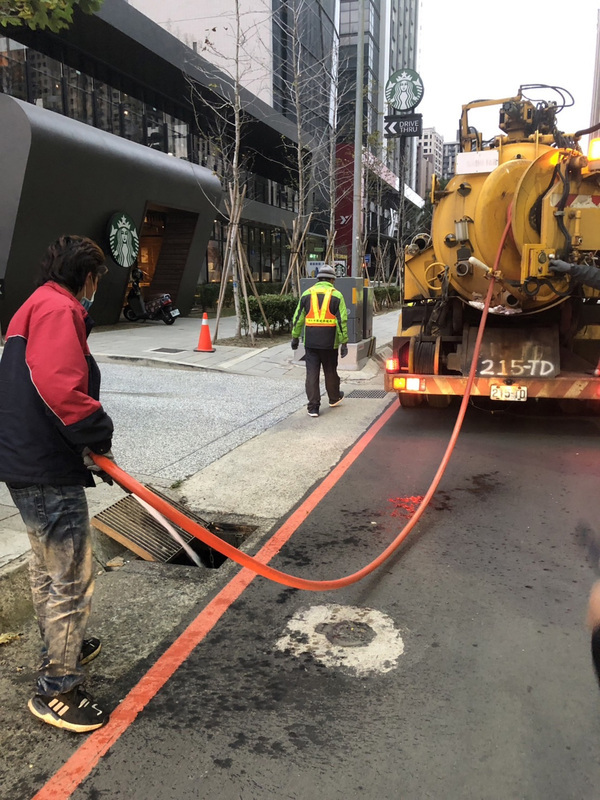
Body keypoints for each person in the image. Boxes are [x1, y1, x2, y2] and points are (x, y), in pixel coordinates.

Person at [0, 235, 114, 733]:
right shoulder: (58, 310)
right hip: (45, 463)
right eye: (96, 280)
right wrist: (97, 433)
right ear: (86, 276)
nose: (94, 291)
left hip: (24, 458)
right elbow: (59, 386)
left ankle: (59, 645)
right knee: (69, 576)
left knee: (47, 566)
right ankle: (57, 689)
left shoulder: (33, 305)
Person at [291, 264, 348, 417]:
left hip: (311, 342)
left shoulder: (306, 294)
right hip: (330, 342)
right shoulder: (337, 295)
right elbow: (341, 321)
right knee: (330, 371)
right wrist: (344, 343)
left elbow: (298, 318)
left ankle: (313, 407)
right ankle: (334, 397)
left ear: (318, 279)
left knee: (311, 373)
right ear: (332, 280)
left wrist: (295, 337)